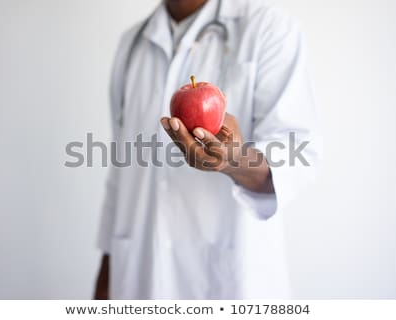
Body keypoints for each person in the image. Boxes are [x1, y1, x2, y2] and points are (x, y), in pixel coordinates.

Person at [94, 0, 321, 299]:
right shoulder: (132, 45)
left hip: (231, 282)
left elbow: (296, 157)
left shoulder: (269, 27)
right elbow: (121, 178)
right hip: (140, 279)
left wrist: (233, 161)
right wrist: (105, 282)